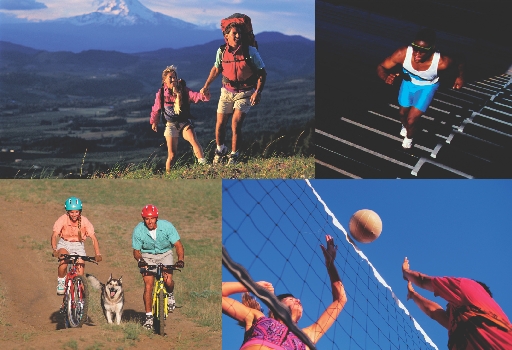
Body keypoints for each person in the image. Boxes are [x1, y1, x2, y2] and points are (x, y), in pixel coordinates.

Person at [222, 235, 347, 349]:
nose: (298, 300)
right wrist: (252, 286)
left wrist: (330, 264)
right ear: (276, 306)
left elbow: (340, 299)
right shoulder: (256, 318)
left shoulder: (308, 336)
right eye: (291, 299)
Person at [376, 28, 465, 149]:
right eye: (415, 48)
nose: (417, 53)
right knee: (402, 113)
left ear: (432, 49)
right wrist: (385, 77)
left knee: (411, 120)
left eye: (422, 50)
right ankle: (405, 126)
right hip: (408, 83)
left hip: (427, 86)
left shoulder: (442, 62)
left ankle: (409, 138)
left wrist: (459, 77)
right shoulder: (402, 54)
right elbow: (381, 66)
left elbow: (458, 62)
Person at [402, 257, 512, 349]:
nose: (446, 304)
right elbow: (433, 311)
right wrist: (413, 294)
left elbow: (422, 280)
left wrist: (405, 272)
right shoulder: (460, 320)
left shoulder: (468, 287)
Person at [200, 21, 267, 165]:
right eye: (234, 33)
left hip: (246, 93)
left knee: (235, 124)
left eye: (239, 33)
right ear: (226, 36)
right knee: (220, 124)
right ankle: (220, 151)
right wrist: (206, 86)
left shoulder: (251, 52)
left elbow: (262, 73)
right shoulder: (222, 51)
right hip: (226, 92)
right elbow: (216, 68)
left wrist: (257, 92)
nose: (237, 36)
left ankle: (234, 156)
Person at [132, 204, 185, 330]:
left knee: (168, 281)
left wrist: (180, 260)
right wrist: (140, 260)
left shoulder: (167, 227)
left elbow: (178, 245)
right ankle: (149, 317)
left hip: (165, 253)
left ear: (157, 217)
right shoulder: (138, 230)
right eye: (146, 219)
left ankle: (170, 294)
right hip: (147, 255)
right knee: (148, 286)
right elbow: (136, 251)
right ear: (143, 219)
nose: (149, 222)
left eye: (152, 218)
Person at [150, 65, 210, 172]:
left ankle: (204, 166)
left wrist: (203, 95)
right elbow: (156, 109)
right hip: (171, 125)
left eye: (174, 77)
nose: (173, 79)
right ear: (164, 81)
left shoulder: (183, 90)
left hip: (184, 122)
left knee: (194, 140)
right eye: (170, 77)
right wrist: (154, 121)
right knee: (172, 155)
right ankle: (168, 177)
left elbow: (194, 96)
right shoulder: (161, 94)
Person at [51, 196, 102, 295]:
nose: (74, 214)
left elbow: (94, 238)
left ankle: (81, 297)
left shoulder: (84, 221)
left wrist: (98, 254)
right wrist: (54, 249)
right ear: (67, 212)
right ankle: (61, 282)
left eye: (76, 212)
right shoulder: (62, 219)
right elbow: (54, 235)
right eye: (71, 212)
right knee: (63, 262)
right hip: (64, 243)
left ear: (80, 211)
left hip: (78, 245)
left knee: (80, 271)